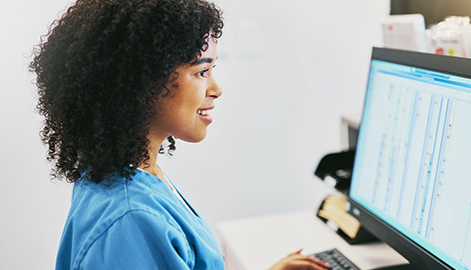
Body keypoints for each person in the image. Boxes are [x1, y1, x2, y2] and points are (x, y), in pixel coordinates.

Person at [30, 0, 331, 269]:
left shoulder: (131, 172)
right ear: (143, 85)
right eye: (202, 72)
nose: (216, 89)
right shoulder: (131, 221)